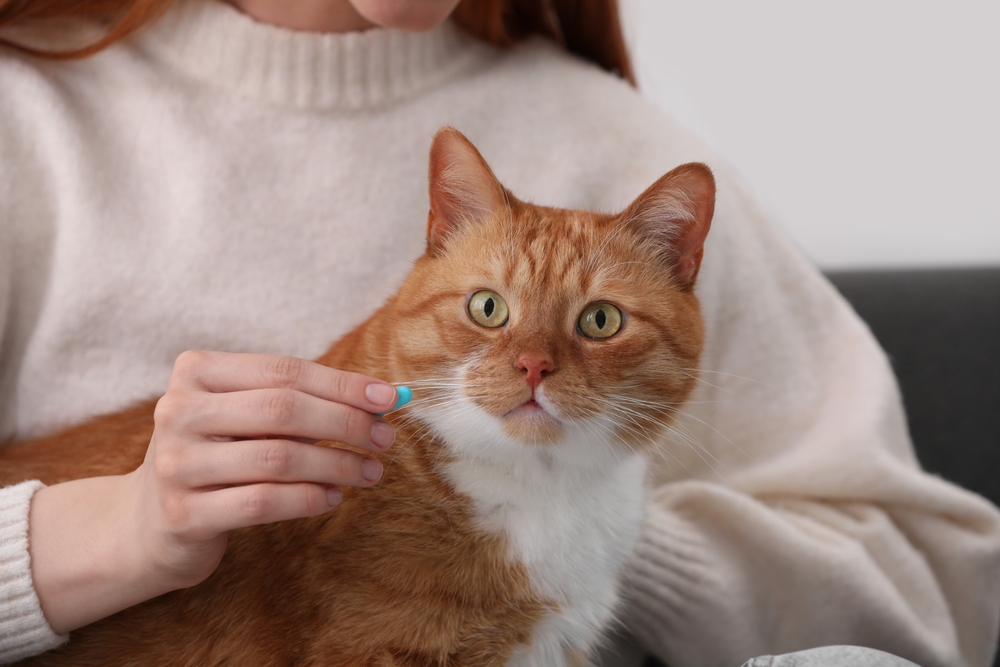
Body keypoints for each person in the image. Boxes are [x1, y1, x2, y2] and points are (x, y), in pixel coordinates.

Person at [1, 0, 998, 665]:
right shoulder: (25, 113)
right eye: (487, 309)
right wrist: (109, 533)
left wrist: (583, 521)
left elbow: (945, 596)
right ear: (439, 231)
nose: (532, 357)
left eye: (593, 324)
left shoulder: (633, 149)